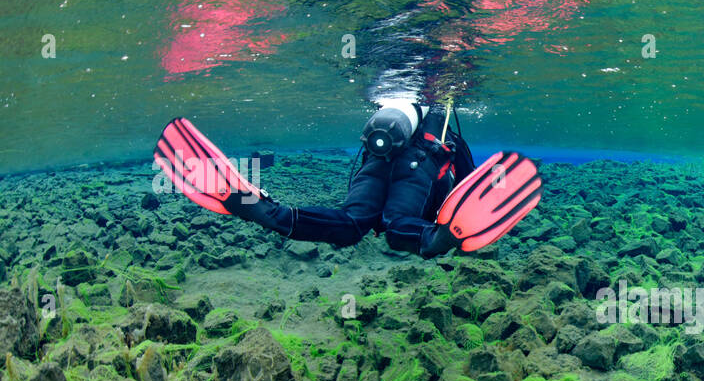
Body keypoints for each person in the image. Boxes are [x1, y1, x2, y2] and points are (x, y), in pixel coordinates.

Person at [154, 103, 541, 257]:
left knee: (353, 223)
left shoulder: (385, 128)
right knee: (396, 226)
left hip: (378, 158)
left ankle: (259, 208)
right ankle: (440, 238)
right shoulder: (442, 133)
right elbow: (471, 184)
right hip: (421, 163)